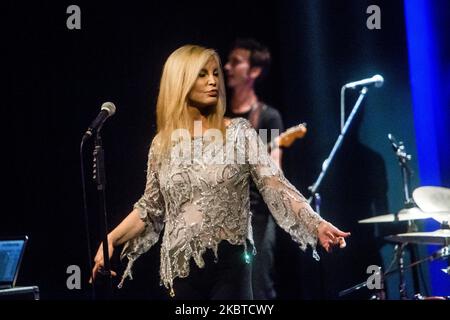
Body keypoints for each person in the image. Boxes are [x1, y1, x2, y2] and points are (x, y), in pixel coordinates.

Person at [90, 44, 350, 300]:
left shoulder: (239, 132)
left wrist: (316, 224)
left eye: (215, 73)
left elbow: (275, 185)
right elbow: (151, 207)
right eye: (202, 74)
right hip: (182, 269)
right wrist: (111, 239)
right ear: (180, 81)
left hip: (230, 265)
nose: (213, 81)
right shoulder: (163, 143)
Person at [224, 38, 283, 299]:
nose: (226, 67)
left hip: (255, 216)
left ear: (254, 72)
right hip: (220, 217)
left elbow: (274, 173)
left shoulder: (268, 117)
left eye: (235, 62)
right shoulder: (218, 115)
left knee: (257, 290)